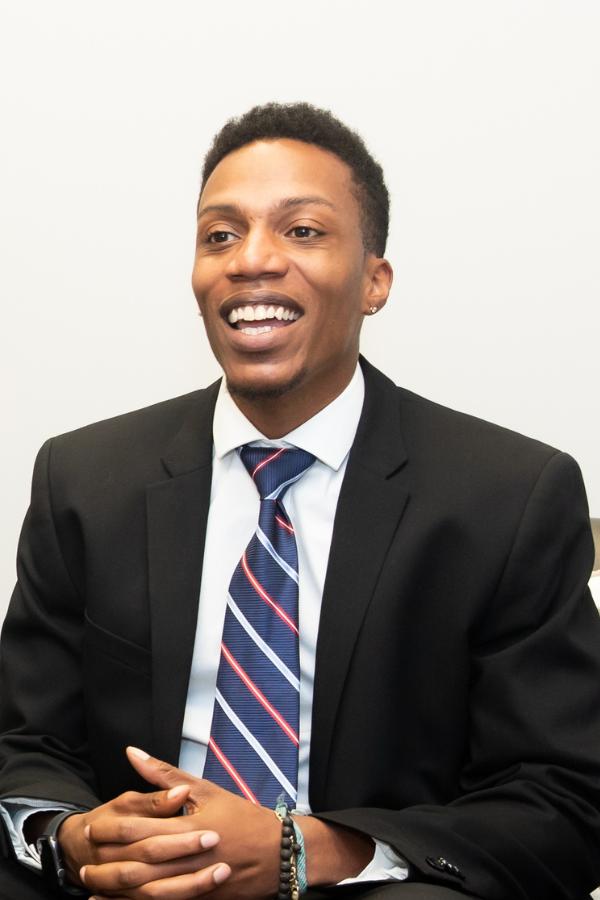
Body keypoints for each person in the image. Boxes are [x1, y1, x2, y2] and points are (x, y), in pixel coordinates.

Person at [1, 102, 599, 900]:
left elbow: (563, 799)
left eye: (303, 231)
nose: (251, 259)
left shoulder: (509, 498)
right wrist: (73, 836)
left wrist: (305, 849)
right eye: (220, 234)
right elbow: (25, 738)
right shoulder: (84, 478)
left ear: (374, 280)